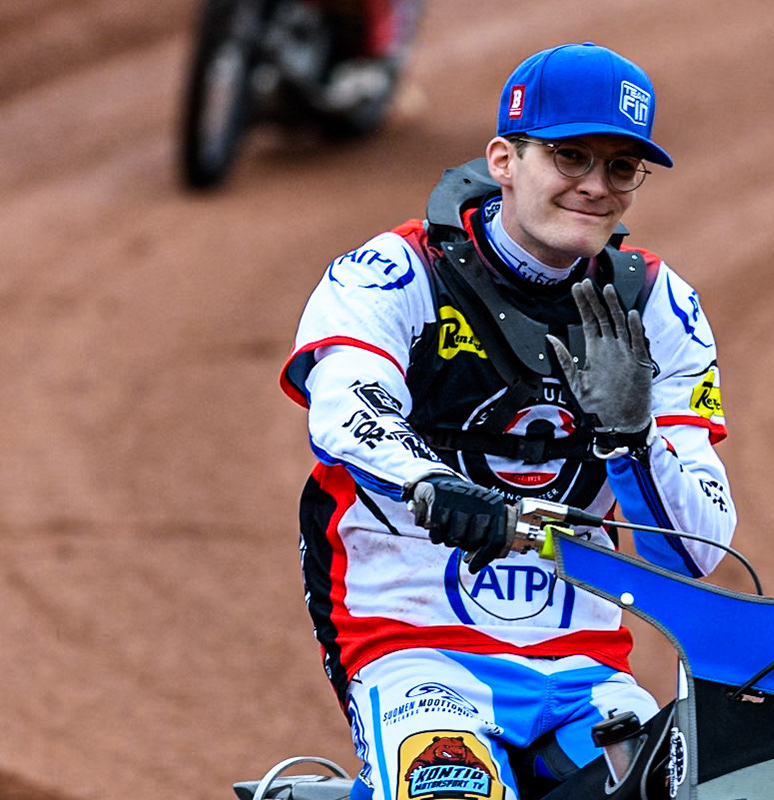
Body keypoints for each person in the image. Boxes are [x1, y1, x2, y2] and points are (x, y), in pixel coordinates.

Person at [280, 41, 736, 799]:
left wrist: (634, 439)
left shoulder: (659, 306)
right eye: (570, 157)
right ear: (504, 159)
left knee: (691, 788)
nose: (596, 186)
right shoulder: (393, 272)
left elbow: (701, 548)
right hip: (413, 641)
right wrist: (432, 484)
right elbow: (345, 411)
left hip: (583, 660)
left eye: (620, 168)